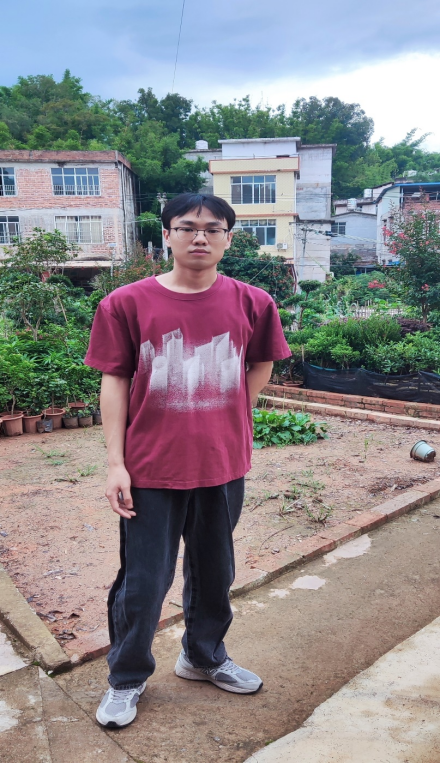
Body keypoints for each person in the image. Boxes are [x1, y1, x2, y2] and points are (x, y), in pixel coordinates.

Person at [85, 193, 290, 728]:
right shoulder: (126, 303)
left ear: (228, 238)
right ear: (167, 235)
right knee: (144, 581)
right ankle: (126, 678)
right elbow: (114, 380)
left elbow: (262, 362)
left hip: (223, 464)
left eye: (213, 228)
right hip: (150, 468)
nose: (200, 236)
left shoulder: (253, 302)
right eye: (187, 227)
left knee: (215, 571)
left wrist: (232, 411)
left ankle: (202, 657)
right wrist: (115, 463)